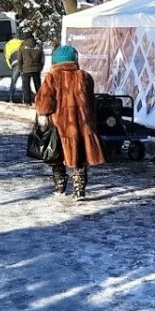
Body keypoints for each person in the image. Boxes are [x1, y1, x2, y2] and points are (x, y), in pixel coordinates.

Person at [34, 45, 105, 199]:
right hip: (82, 124)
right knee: (80, 157)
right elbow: (91, 101)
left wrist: (43, 115)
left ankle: (60, 186)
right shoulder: (84, 76)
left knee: (57, 156)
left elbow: (44, 103)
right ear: (74, 60)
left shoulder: (52, 78)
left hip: (60, 126)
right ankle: (79, 189)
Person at [14, 36, 45, 105]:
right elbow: (42, 59)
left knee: (26, 86)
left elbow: (19, 59)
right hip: (36, 69)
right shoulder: (38, 46)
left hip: (25, 69)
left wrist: (20, 69)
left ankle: (27, 101)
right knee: (38, 86)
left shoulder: (22, 47)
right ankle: (41, 100)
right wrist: (40, 67)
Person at [4, 33, 24, 103]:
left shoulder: (7, 45)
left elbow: (7, 57)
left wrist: (10, 66)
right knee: (24, 82)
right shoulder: (19, 41)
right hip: (23, 63)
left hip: (15, 65)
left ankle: (10, 98)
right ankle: (24, 98)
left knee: (13, 82)